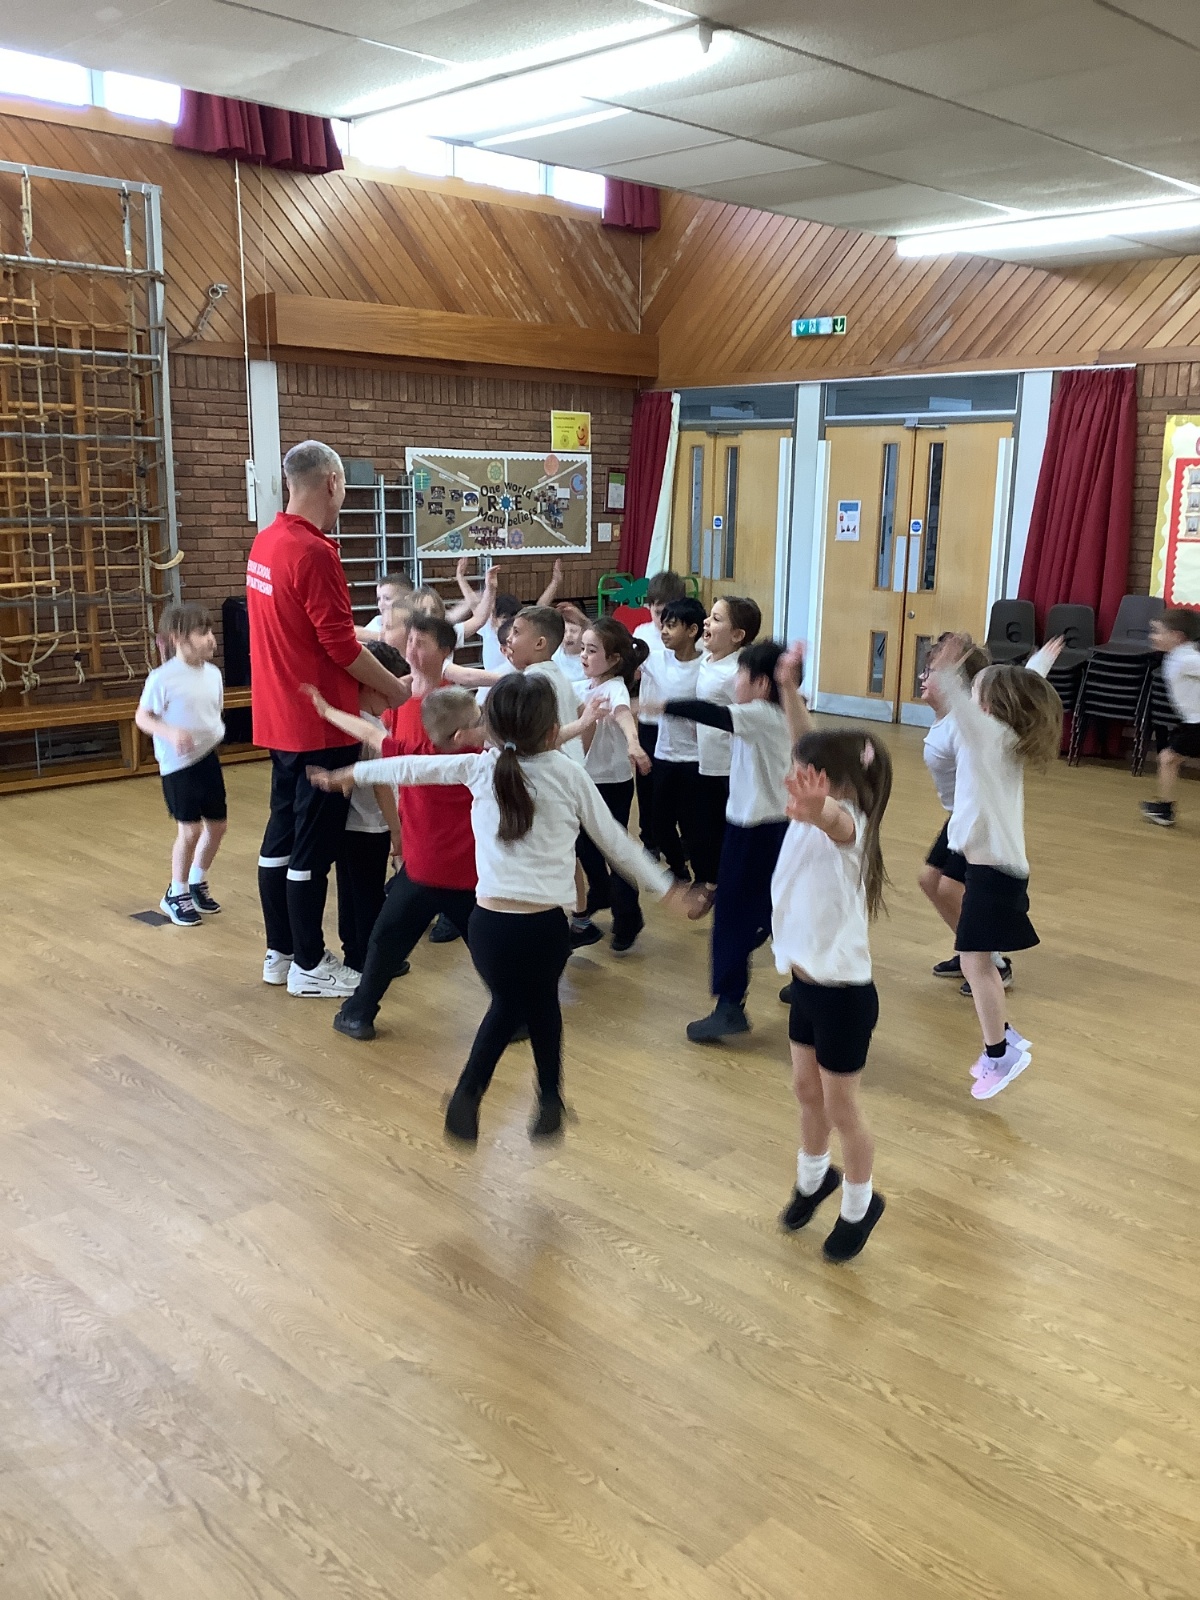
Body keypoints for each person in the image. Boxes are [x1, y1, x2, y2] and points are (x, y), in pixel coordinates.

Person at [312, 674, 678, 1142]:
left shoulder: (478, 767)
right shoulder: (567, 773)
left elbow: (410, 768)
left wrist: (348, 774)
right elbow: (617, 845)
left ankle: (495, 1094)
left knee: (515, 1004)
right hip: (545, 927)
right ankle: (540, 1095)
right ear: (552, 732)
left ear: (489, 730)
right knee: (537, 1004)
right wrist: (668, 889)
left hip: (488, 926)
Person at [246, 439, 408, 998]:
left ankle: (281, 953)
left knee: (280, 840)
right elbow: (340, 645)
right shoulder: (314, 552)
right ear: (333, 483)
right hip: (319, 723)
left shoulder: (266, 541)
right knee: (311, 852)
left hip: (279, 715)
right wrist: (395, 688)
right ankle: (310, 965)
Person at [303, 615, 481, 1037]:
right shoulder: (476, 758)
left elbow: (372, 737)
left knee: (385, 940)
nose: (413, 649)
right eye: (411, 640)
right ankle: (518, 1014)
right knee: (483, 944)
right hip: (460, 869)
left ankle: (358, 1012)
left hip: (426, 868)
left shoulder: (421, 747)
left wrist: (327, 712)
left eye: (423, 642)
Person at [773, 727, 893, 1263]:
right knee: (806, 1090)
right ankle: (813, 1179)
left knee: (843, 1109)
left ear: (833, 784)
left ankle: (860, 1205)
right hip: (806, 988)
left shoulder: (850, 826)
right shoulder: (806, 817)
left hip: (844, 1000)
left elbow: (836, 822)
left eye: (803, 775)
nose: (791, 782)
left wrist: (818, 808)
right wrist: (788, 690)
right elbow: (804, 736)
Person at [932, 635, 1064, 1100]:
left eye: (976, 693)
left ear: (988, 706)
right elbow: (1024, 686)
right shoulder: (1002, 736)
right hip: (990, 867)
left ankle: (998, 1054)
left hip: (994, 873)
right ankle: (1004, 1037)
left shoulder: (987, 737)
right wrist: (1040, 661)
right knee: (977, 961)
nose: (969, 700)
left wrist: (948, 668)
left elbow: (959, 702)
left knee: (976, 963)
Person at [644, 639, 791, 1041]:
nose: (734, 681)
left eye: (741, 674)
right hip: (775, 826)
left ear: (761, 684)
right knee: (778, 906)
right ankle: (807, 979)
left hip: (755, 830)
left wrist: (662, 705)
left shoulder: (760, 713)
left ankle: (729, 1007)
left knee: (732, 916)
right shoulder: (781, 714)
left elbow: (712, 713)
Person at [309, 639, 406, 976]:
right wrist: (397, 830)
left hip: (347, 826)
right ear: (371, 685)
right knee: (369, 897)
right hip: (371, 827)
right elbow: (381, 786)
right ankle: (371, 959)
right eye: (387, 693)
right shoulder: (372, 730)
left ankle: (353, 952)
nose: (391, 702)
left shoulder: (347, 722)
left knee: (350, 893)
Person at [135, 601, 228, 928]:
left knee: (217, 826)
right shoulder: (162, 679)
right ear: (178, 638)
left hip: (207, 759)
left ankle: (197, 880)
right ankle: (177, 892)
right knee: (190, 830)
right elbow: (143, 717)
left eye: (210, 631)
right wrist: (171, 733)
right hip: (178, 766)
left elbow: (212, 712)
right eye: (202, 632)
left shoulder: (213, 674)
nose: (211, 638)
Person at [917, 637, 1002, 986]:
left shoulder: (963, 725)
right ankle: (970, 951)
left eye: (933, 673)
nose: (923, 677)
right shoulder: (944, 720)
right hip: (958, 816)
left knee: (950, 889)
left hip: (978, 818)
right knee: (929, 880)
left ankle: (992, 962)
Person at [570, 616, 654, 953]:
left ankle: (628, 918)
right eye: (583, 649)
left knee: (615, 851)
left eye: (592, 651)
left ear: (615, 659)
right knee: (582, 845)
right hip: (585, 782)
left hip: (611, 785)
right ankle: (601, 892)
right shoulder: (583, 686)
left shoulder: (615, 687)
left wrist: (633, 742)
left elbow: (622, 713)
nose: (583, 655)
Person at [688, 595, 762, 918]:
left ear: (737, 635)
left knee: (725, 829)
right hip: (705, 759)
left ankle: (730, 889)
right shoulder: (708, 658)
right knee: (704, 827)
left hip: (728, 766)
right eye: (710, 615)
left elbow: (751, 718)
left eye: (717, 619)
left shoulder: (736, 673)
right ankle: (714, 881)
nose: (706, 621)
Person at [637, 596, 706, 880]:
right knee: (660, 822)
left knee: (694, 824)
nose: (663, 631)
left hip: (697, 759)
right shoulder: (656, 660)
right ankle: (678, 869)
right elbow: (622, 652)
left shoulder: (707, 665)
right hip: (665, 754)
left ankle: (704, 877)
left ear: (692, 630)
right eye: (663, 625)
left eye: (672, 626)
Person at [632, 570, 687, 853]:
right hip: (650, 722)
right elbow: (632, 670)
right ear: (648, 607)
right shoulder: (643, 634)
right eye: (657, 613)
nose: (663, 622)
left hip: (681, 724)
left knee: (678, 785)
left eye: (669, 615)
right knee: (647, 782)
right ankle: (650, 840)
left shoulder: (691, 637)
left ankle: (682, 839)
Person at [1142, 606, 1200, 827]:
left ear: (1176, 636)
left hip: (1197, 724)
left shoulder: (1186, 658)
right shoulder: (1179, 656)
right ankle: (1164, 808)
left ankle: (1165, 810)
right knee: (1169, 759)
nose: (1153, 636)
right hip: (1192, 723)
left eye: (1158, 631)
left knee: (1168, 758)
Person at [355, 571, 413, 643]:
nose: (381, 604)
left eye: (387, 598)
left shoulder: (414, 625)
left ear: (407, 600)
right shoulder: (378, 620)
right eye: (379, 599)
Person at [554, 602, 590, 693]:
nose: (568, 636)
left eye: (573, 631)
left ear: (584, 632)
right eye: (564, 632)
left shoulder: (590, 657)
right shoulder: (553, 655)